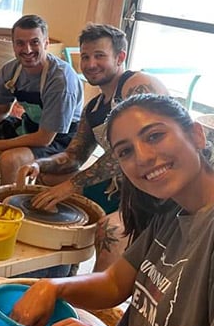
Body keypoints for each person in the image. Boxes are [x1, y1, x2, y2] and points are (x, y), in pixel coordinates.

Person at [0, 94, 214, 326]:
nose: (144, 157)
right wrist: (52, 286)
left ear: (196, 134)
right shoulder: (171, 210)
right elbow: (114, 284)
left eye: (155, 135)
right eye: (125, 152)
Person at [16, 23, 168, 271]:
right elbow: (74, 156)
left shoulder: (137, 85)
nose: (90, 64)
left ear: (120, 57)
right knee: (47, 179)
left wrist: (73, 185)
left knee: (111, 229)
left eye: (99, 56)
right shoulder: (94, 107)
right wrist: (36, 164)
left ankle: (96, 298)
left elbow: (131, 151)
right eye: (85, 57)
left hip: (155, 189)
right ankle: (61, 268)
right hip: (118, 187)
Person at [0, 14, 83, 184]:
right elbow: (1, 110)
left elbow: (44, 138)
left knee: (10, 159)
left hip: (60, 139)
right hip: (29, 126)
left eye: (34, 42)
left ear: (46, 43)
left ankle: (6, 204)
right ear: (13, 45)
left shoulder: (60, 79)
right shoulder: (10, 70)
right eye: (20, 43)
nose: (27, 50)